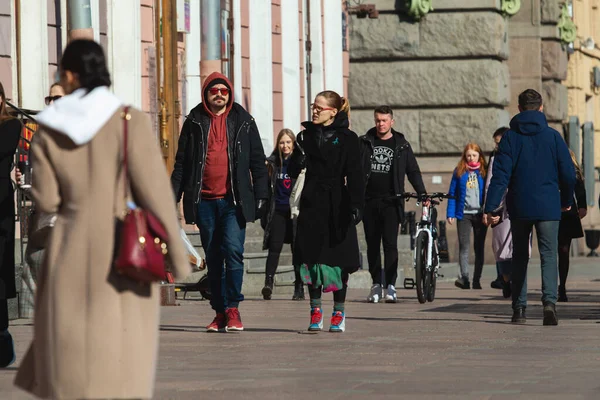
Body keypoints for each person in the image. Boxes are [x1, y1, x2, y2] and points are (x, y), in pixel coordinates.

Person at [14, 39, 190, 399]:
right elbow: (155, 193)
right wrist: (177, 255)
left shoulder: (49, 126)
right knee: (121, 350)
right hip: (121, 248)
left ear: (69, 74)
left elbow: (46, 198)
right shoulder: (129, 121)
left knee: (69, 349)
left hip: (68, 245)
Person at [171, 72, 268, 332]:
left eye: (224, 91)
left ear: (230, 94)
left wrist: (262, 196)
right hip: (204, 202)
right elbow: (182, 163)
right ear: (206, 94)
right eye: (214, 90)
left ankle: (233, 308)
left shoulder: (244, 121)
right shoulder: (194, 121)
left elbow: (258, 162)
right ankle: (219, 312)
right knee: (214, 257)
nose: (219, 95)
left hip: (233, 202)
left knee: (233, 252)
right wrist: (173, 196)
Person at [485, 89, 576, 326]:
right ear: (541, 107)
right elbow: (568, 173)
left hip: (520, 205)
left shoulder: (510, 138)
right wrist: (566, 200)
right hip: (548, 205)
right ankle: (549, 304)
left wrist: (491, 207)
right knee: (549, 255)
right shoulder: (553, 137)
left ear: (519, 108)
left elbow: (500, 176)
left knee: (520, 257)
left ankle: (519, 309)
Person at [288, 90, 364, 332]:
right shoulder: (304, 137)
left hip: (337, 205)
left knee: (336, 261)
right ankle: (315, 310)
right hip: (312, 204)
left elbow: (355, 175)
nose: (315, 110)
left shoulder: (349, 139)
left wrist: (356, 204)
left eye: (320, 108)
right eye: (314, 106)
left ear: (333, 112)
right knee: (311, 260)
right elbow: (291, 171)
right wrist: (296, 162)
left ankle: (339, 313)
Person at [359, 105, 426, 303]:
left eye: (384, 120)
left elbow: (412, 170)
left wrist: (422, 192)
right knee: (372, 245)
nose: (380, 124)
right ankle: (376, 284)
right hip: (369, 201)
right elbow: (354, 167)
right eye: (378, 120)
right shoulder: (365, 142)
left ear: (391, 122)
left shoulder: (401, 144)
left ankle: (390, 285)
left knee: (390, 245)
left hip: (392, 202)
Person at [16, 83, 65, 319]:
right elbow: (32, 175)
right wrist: (22, 180)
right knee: (35, 266)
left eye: (59, 98)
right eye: (50, 99)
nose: (53, 104)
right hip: (45, 218)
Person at [261, 128, 304, 300]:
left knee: (297, 249)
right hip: (277, 210)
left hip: (295, 212)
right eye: (282, 142)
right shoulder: (272, 164)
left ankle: (299, 286)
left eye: (288, 142)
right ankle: (268, 283)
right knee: (274, 247)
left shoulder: (300, 162)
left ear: (293, 143)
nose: (285, 146)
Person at [0, 82, 22, 368]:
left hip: (1, 207)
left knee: (1, 274)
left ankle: (3, 339)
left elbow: (3, 150)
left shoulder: (11, 125)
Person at [447, 143, 488, 290]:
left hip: (480, 214)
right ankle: (465, 278)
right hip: (463, 214)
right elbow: (452, 194)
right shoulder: (459, 172)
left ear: (479, 156)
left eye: (474, 155)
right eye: (468, 155)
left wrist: (489, 212)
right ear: (465, 156)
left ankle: (476, 279)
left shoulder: (484, 172)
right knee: (464, 247)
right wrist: (450, 213)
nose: (471, 158)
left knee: (479, 248)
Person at [483, 127, 513, 298]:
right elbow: (489, 185)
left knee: (516, 246)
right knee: (501, 246)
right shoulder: (495, 158)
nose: (497, 146)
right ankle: (506, 279)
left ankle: (515, 281)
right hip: (499, 207)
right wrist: (488, 209)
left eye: (499, 142)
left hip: (517, 205)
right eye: (495, 143)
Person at [557, 149, 587, 302]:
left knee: (563, 250)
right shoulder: (550, 166)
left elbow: (580, 189)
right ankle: (550, 286)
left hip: (568, 213)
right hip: (550, 210)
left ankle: (561, 286)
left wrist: (583, 206)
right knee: (549, 251)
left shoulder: (572, 170)